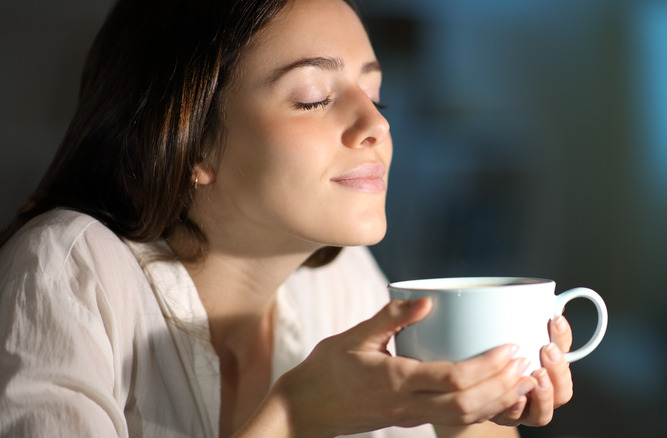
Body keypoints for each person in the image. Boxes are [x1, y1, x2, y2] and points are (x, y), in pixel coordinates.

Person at [0, 0, 575, 436]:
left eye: (377, 95)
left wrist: (472, 415)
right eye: (313, 97)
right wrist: (293, 418)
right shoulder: (66, 267)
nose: (377, 124)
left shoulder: (340, 280)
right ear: (192, 142)